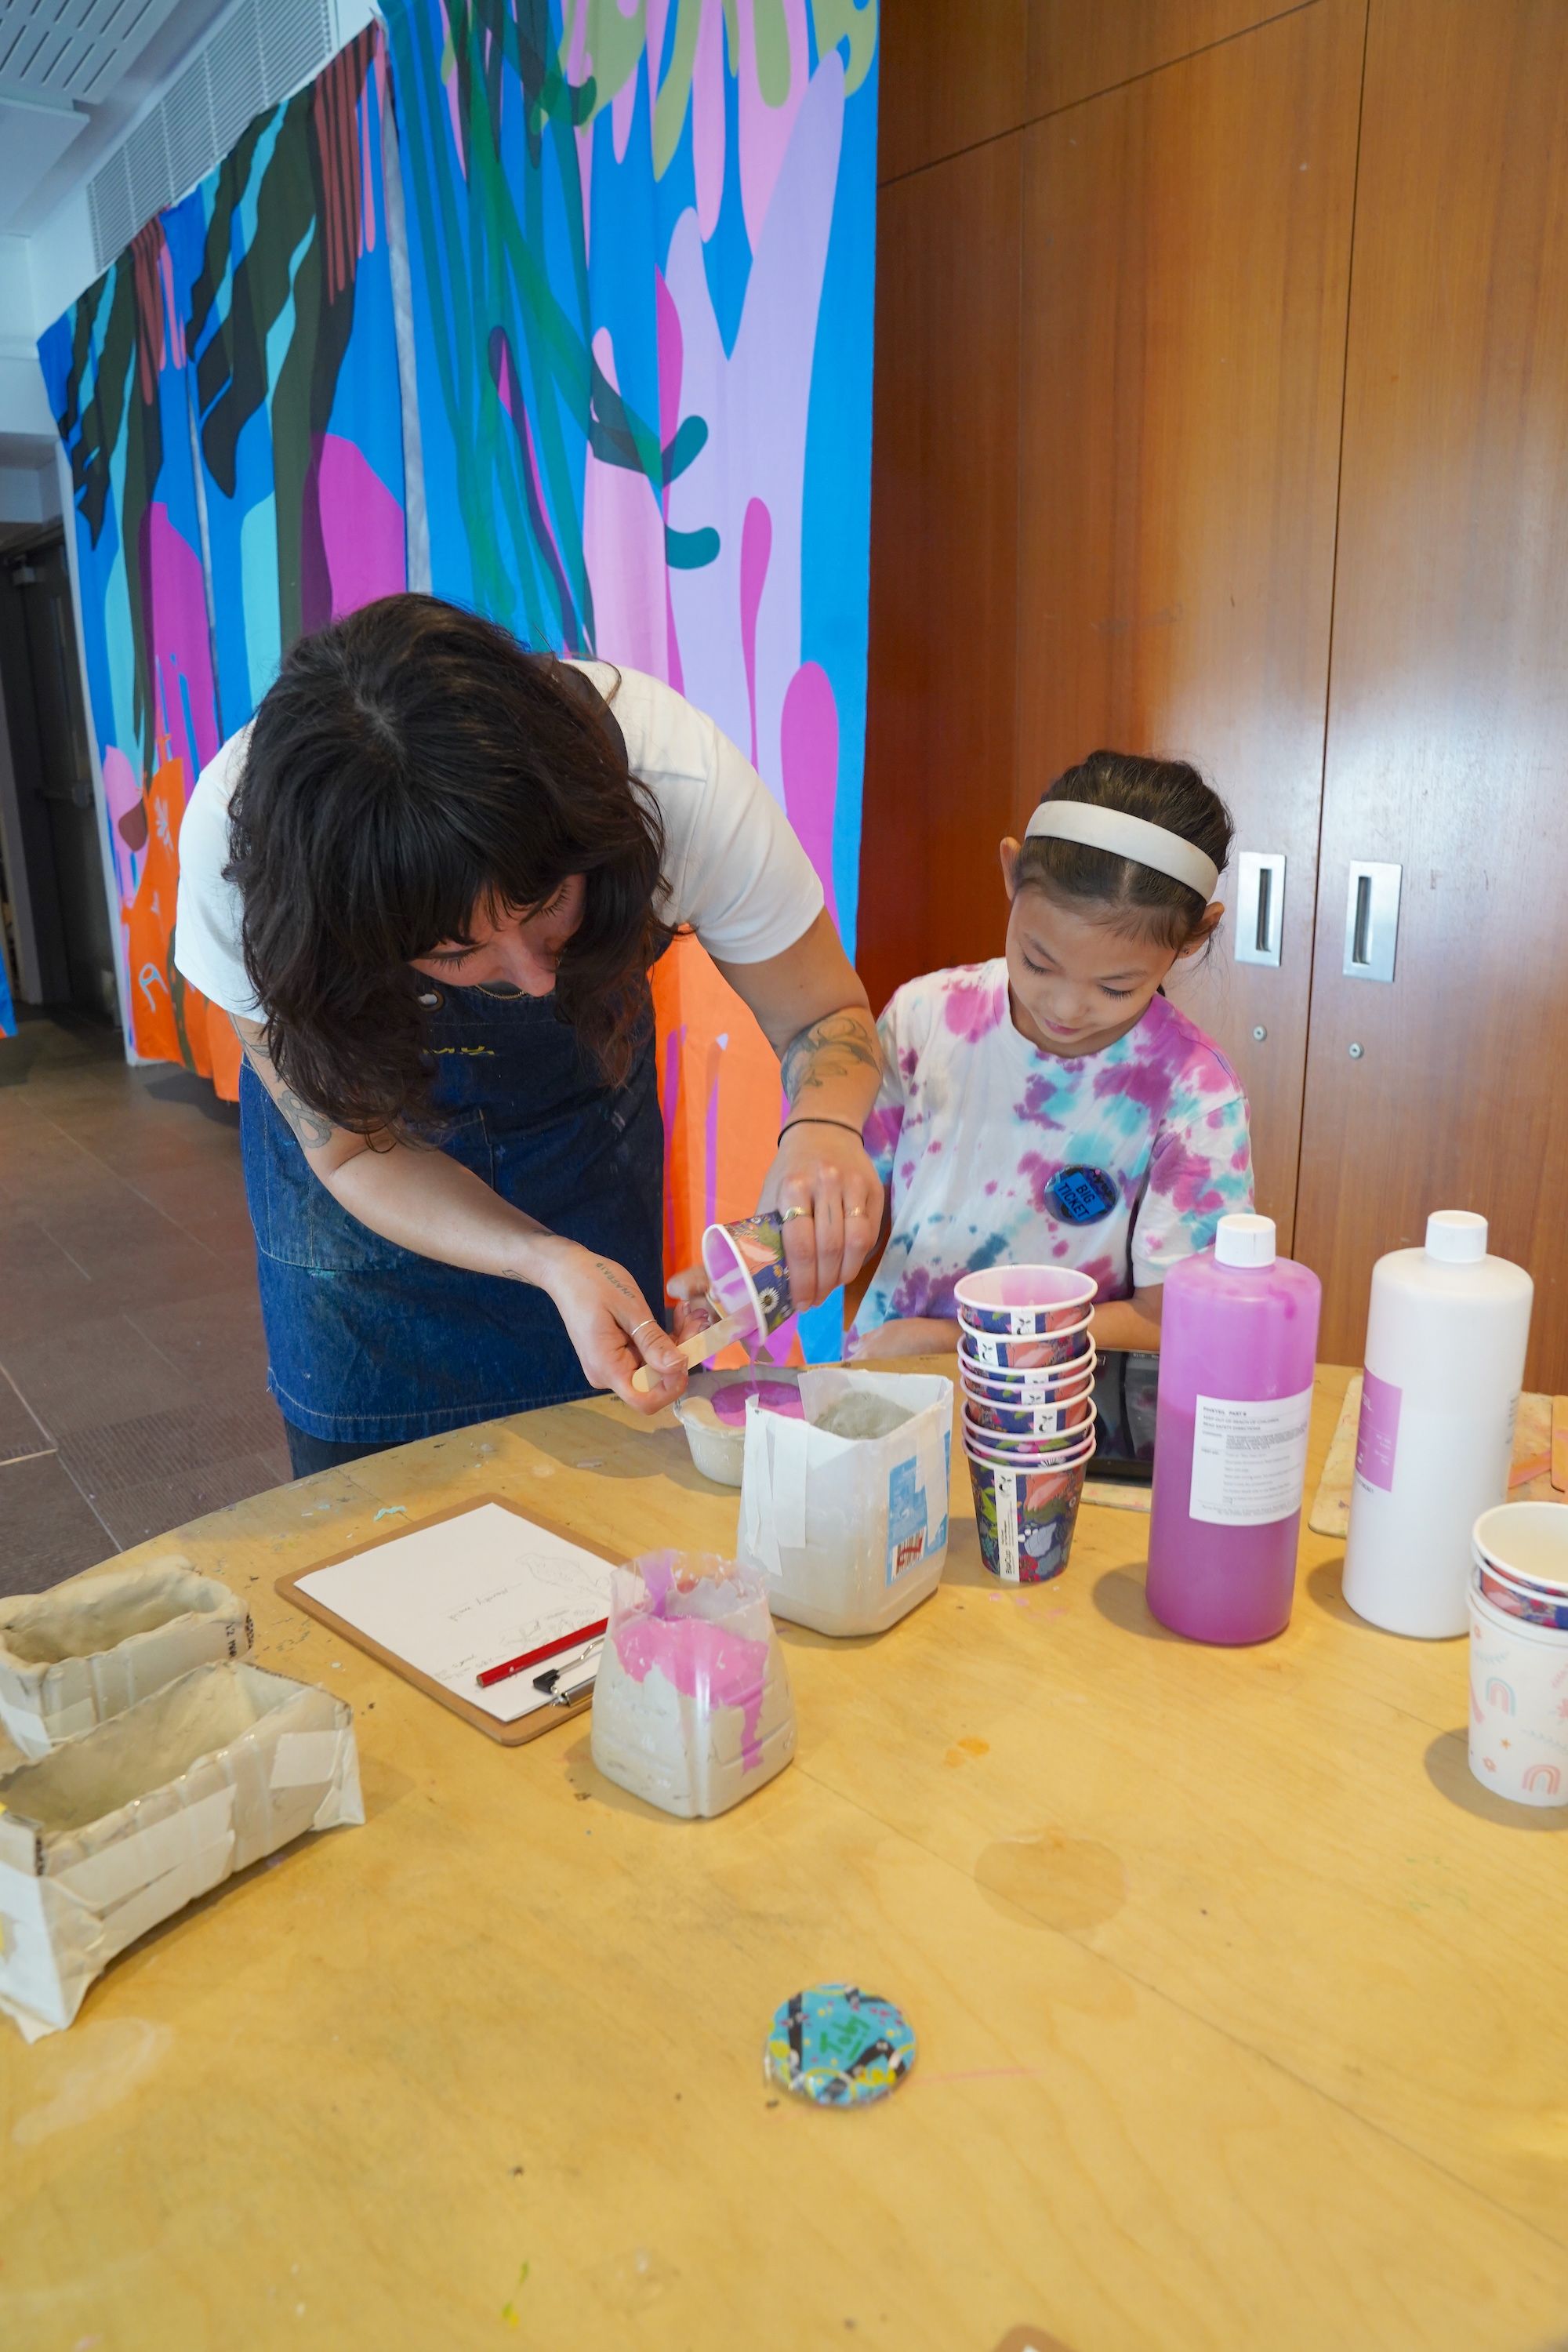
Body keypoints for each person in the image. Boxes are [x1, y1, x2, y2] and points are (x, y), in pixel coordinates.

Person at [172, 594, 884, 1475]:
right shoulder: (245, 863)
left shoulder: (670, 775)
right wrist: (538, 1258)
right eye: (456, 951)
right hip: (366, 1231)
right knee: (376, 1533)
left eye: (550, 904)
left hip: (580, 1153)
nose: (535, 977)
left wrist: (821, 1129)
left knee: (600, 1507)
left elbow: (821, 1014)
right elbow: (353, 1154)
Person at [847, 751, 1254, 1359]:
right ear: (1012, 872)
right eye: (1038, 961)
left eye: (1116, 987)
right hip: (892, 1389)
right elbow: (843, 1206)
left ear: (1193, 936)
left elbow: (1169, 1321)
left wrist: (958, 1343)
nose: (1064, 1007)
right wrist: (742, 1281)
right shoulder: (926, 1018)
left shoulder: (1195, 1097)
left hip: (1059, 1422)